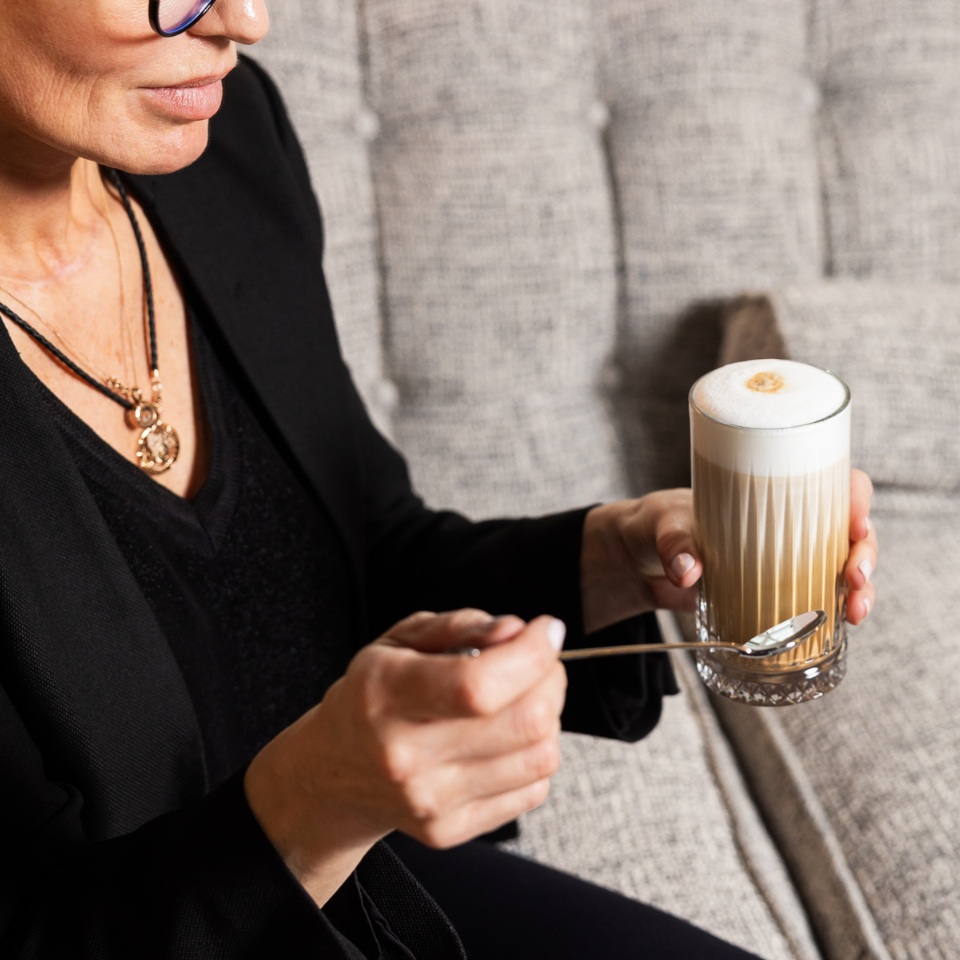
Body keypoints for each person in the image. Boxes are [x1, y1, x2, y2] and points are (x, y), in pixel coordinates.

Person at [0, 1, 878, 957]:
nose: (246, 21)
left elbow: (357, 557)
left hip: (373, 886)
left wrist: (621, 553)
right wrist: (313, 805)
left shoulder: (224, 145)